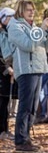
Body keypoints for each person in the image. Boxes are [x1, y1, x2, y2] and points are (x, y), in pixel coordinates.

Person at [7, 1, 48, 152]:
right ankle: (20, 141)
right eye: (28, 10)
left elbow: (44, 46)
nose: (31, 12)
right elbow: (29, 45)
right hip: (26, 70)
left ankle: (26, 138)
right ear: (20, 11)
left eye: (33, 10)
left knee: (33, 107)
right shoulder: (15, 26)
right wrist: (42, 29)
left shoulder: (32, 26)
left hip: (38, 69)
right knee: (25, 106)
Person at [0, 8, 18, 137]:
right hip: (3, 73)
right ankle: (1, 130)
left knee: (6, 102)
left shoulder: (10, 32)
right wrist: (7, 69)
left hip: (9, 74)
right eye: (10, 17)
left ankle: (5, 129)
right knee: (2, 102)